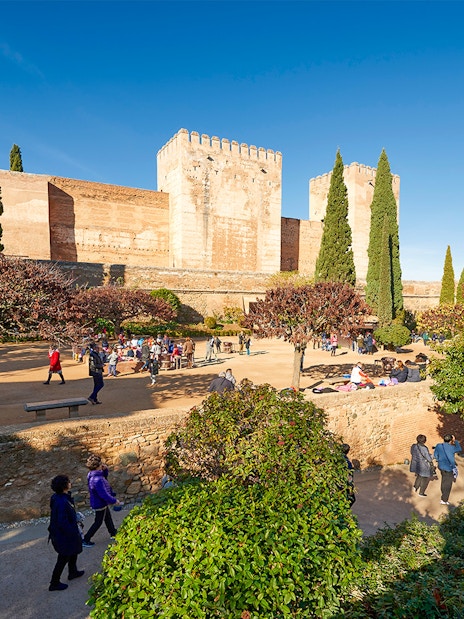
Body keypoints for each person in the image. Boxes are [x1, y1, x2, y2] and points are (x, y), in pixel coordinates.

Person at [47, 474, 84, 591]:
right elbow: (62, 522)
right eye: (68, 481)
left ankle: (72, 572)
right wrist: (74, 532)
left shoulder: (59, 497)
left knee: (73, 552)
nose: (70, 483)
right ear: (64, 486)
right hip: (63, 535)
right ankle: (54, 583)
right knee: (63, 557)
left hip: (64, 533)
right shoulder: (62, 501)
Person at [82, 454, 121, 547]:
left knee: (107, 517)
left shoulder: (93, 475)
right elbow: (103, 494)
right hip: (100, 503)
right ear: (97, 466)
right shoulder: (97, 480)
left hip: (99, 502)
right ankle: (86, 539)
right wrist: (114, 501)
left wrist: (105, 469)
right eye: (101, 464)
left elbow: (104, 476)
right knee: (98, 522)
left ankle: (113, 532)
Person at [434, 434, 462, 505]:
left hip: (441, 466)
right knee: (448, 484)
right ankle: (444, 500)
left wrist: (438, 460)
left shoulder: (438, 446)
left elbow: (435, 455)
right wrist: (455, 440)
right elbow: (459, 449)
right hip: (449, 468)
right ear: (450, 440)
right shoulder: (452, 448)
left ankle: (443, 492)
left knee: (444, 480)